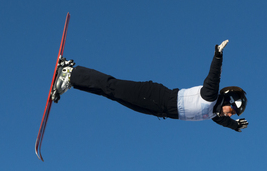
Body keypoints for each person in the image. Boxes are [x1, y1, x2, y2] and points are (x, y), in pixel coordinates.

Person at [54, 40, 249, 132]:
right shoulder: (211, 96)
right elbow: (214, 77)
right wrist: (218, 55)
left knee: (111, 94)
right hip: (156, 96)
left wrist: (234, 126)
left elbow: (222, 121)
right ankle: (71, 72)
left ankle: (71, 79)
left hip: (157, 108)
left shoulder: (215, 114)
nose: (230, 114)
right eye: (232, 109)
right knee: (112, 87)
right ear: (227, 99)